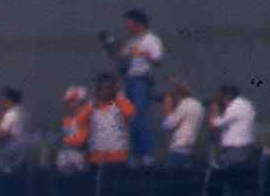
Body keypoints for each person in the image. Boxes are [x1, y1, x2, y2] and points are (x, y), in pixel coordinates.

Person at [114, 10, 164, 164]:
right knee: (130, 118)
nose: (126, 25)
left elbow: (158, 61)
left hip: (142, 80)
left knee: (141, 116)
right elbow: (122, 60)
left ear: (138, 22)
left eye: (129, 22)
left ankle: (147, 154)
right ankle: (134, 154)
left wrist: (143, 54)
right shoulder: (131, 41)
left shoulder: (151, 40)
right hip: (129, 80)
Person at [84, 73, 135, 166]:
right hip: (96, 158)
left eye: (108, 88)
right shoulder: (91, 106)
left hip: (118, 158)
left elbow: (129, 112)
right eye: (102, 88)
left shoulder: (120, 104)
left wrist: (118, 94)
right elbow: (80, 124)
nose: (105, 91)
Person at [208, 84, 257, 167]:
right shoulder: (247, 104)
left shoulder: (234, 107)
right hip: (247, 146)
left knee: (231, 174)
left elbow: (213, 125)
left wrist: (214, 108)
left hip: (235, 148)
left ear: (227, 96)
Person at [161, 80, 206, 168]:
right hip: (189, 149)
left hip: (178, 150)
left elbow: (167, 125)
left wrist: (167, 108)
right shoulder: (198, 105)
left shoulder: (184, 106)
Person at [0, 88, 32, 170]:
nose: (2, 102)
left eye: (3, 100)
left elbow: (1, 134)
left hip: (12, 148)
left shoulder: (10, 114)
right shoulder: (25, 113)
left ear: (9, 100)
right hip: (26, 149)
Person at [57, 85, 90, 172]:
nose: (68, 105)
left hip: (81, 158)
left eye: (72, 101)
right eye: (68, 102)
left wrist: (66, 141)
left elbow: (82, 141)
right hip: (67, 156)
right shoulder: (68, 119)